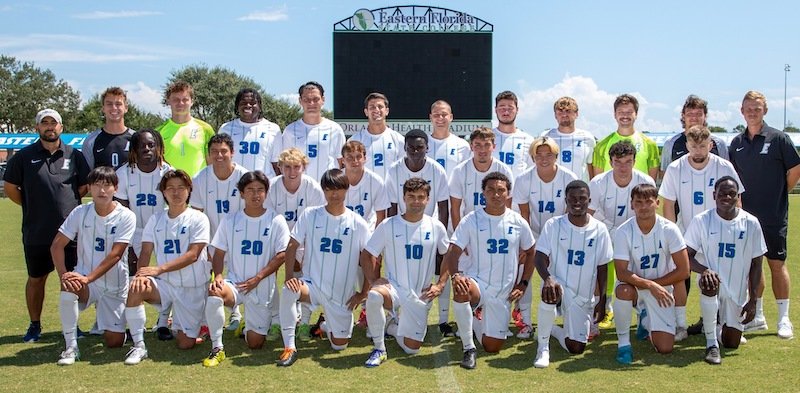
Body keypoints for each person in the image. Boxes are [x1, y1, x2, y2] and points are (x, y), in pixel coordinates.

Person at [3, 109, 90, 343]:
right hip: (37, 231)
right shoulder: (23, 156)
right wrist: (33, 205)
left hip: (70, 233)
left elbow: (83, 187)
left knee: (71, 278)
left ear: (61, 127)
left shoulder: (75, 155)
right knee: (36, 278)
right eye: (45, 123)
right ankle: (34, 325)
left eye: (54, 123)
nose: (49, 127)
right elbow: (11, 188)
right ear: (37, 128)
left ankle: (71, 327)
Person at [276, 169, 370, 367]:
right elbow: (292, 245)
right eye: (329, 190)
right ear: (323, 191)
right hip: (312, 285)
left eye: (338, 189)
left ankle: (325, 326)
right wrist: (289, 276)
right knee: (289, 290)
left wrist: (363, 293)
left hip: (341, 294)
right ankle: (290, 347)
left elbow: (370, 259)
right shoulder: (310, 215)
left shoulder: (358, 223)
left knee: (339, 346)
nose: (334, 195)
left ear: (347, 189)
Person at [728, 90, 800, 339]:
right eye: (748, 108)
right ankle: (757, 316)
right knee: (751, 267)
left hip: (773, 215)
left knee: (776, 264)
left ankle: (784, 318)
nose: (752, 112)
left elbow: (794, 171)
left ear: (765, 111)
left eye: (757, 108)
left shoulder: (779, 139)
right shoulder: (736, 143)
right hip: (745, 218)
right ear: (742, 110)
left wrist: (779, 194)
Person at [445, 172, 535, 369]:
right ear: (483, 193)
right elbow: (452, 251)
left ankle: (474, 320)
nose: (496, 194)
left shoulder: (518, 221)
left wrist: (524, 283)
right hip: (478, 282)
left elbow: (531, 252)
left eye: (500, 190)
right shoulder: (472, 219)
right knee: (462, 288)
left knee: (492, 347)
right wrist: (456, 274)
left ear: (508, 194)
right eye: (491, 190)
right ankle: (468, 348)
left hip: (502, 292)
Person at [200, 171, 290, 367]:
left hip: (262, 286)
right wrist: (218, 276)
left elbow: (282, 254)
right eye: (250, 190)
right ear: (241, 193)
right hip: (235, 283)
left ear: (266, 193)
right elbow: (219, 253)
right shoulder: (230, 220)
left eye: (260, 190)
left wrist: (258, 278)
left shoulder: (276, 220)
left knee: (255, 344)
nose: (255, 194)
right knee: (214, 292)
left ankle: (246, 324)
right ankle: (217, 347)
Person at [123, 169, 211, 365]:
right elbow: (145, 252)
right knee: (135, 288)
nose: (176, 192)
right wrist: (140, 276)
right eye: (170, 188)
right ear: (163, 192)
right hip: (167, 285)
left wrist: (158, 269)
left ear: (189, 190)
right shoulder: (156, 219)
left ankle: (195, 322)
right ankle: (139, 346)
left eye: (181, 187)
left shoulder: (199, 218)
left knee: (185, 344)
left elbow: (193, 255)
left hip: (192, 286)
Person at [50, 166, 136, 365]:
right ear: (89, 188)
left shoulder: (126, 216)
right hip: (86, 280)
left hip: (115, 284)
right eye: (97, 185)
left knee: (113, 342)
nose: (102, 191)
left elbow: (116, 255)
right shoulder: (81, 211)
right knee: (68, 288)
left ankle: (114, 326)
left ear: (116, 188)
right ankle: (70, 347)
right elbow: (57, 245)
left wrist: (88, 278)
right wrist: (64, 275)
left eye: (107, 185)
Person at [360, 178, 449, 367]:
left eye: (421, 197)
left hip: (421, 293)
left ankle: (392, 326)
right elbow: (367, 254)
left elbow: (448, 256)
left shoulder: (436, 227)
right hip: (394, 288)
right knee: (375, 296)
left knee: (412, 348)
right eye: (411, 197)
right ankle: (379, 349)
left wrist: (440, 284)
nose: (416, 201)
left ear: (428, 199)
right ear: (404, 198)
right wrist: (374, 280)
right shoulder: (389, 225)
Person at [684, 176, 766, 364]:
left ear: (738, 197)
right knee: (710, 281)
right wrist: (704, 270)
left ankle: (714, 324)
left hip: (737, 291)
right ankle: (711, 344)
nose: (726, 197)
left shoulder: (751, 223)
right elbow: (685, 256)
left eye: (732, 194)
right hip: (712, 282)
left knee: (731, 343)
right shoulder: (702, 220)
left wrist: (753, 300)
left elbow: (757, 264)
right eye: (722, 193)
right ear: (714, 195)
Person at [533, 180, 613, 368]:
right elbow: (539, 257)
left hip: (583, 296)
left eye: (582, 199)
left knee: (576, 348)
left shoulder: (600, 229)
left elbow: (603, 267)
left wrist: (602, 300)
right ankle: (543, 348)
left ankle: (551, 329)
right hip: (559, 286)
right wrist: (548, 278)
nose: (577, 202)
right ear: (566, 201)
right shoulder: (554, 225)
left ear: (589, 200)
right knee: (550, 290)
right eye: (573, 199)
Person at [612, 184, 690, 364]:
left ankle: (645, 321)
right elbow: (622, 273)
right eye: (638, 202)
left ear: (657, 202)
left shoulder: (669, 229)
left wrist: (655, 285)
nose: (643, 207)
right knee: (622, 291)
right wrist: (650, 285)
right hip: (634, 286)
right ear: (631, 205)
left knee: (665, 348)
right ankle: (624, 345)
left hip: (660, 288)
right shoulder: (623, 231)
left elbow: (684, 270)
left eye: (648, 202)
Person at [512, 136, 578, 337]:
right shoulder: (524, 179)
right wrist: (526, 245)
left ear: (556, 156)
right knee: (525, 271)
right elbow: (524, 214)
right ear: (532, 157)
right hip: (532, 231)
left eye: (548, 154)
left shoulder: (568, 177)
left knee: (563, 274)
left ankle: (568, 317)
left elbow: (571, 211)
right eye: (538, 154)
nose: (543, 158)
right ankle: (524, 319)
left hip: (560, 231)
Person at [588, 140, 656, 331]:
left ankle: (643, 310)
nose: (623, 167)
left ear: (634, 161)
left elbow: (650, 214)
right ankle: (601, 307)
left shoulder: (645, 181)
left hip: (635, 229)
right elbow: (589, 216)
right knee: (598, 268)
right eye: (618, 162)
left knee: (640, 269)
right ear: (610, 162)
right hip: (605, 228)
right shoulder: (598, 182)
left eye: (628, 161)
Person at [265, 148, 326, 339]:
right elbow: (269, 219)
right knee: (269, 276)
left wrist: (298, 248)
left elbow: (318, 220)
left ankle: (304, 322)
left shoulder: (313, 187)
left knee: (307, 277)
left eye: (296, 167)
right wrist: (285, 248)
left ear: (304, 167)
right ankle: (275, 320)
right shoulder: (272, 187)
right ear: (280, 167)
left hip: (306, 240)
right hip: (277, 239)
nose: (292, 172)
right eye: (287, 167)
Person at [273, 81, 345, 182]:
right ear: (300, 101)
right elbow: (285, 163)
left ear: (323, 100)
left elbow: (341, 162)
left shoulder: (335, 129)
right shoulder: (290, 131)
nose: (311, 103)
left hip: (328, 189)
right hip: (300, 189)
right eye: (306, 99)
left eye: (316, 99)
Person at [386, 129, 449, 229]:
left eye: (420, 147)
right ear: (405, 148)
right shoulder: (393, 170)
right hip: (402, 226)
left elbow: (443, 207)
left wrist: (440, 235)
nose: (415, 151)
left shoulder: (438, 171)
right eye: (411, 147)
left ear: (427, 148)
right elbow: (392, 208)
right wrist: (393, 233)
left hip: (429, 226)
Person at [190, 134, 249, 235]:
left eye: (223, 151)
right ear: (209, 154)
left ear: (232, 152)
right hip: (212, 242)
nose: (219, 155)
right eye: (214, 151)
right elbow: (197, 215)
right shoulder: (199, 179)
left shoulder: (245, 177)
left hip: (241, 239)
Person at [659, 95, 729, 178]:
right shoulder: (670, 144)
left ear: (705, 116)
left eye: (699, 114)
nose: (694, 118)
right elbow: (665, 176)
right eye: (690, 114)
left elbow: (726, 174)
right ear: (683, 116)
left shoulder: (719, 144)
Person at [592, 94, 660, 179]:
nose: (625, 115)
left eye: (629, 112)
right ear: (615, 114)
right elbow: (598, 182)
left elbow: (651, 183)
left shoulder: (650, 144)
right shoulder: (601, 145)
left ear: (636, 114)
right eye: (621, 112)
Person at [218, 88, 282, 178]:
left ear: (260, 106)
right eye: (243, 103)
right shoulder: (226, 129)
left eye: (252, 103)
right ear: (237, 106)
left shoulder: (273, 129)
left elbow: (277, 164)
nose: (248, 105)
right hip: (234, 185)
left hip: (264, 186)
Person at [156, 81, 215, 177]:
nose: (180, 103)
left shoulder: (205, 129)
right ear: (168, 101)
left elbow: (212, 163)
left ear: (192, 101)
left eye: (185, 99)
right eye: (176, 99)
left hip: (199, 188)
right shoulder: (158, 132)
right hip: (170, 189)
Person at [348, 92, 405, 180]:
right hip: (365, 191)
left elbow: (404, 169)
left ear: (387, 111)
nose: (376, 110)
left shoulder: (399, 140)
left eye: (380, 106)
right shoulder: (355, 140)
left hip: (391, 192)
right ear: (366, 112)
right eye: (372, 107)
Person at [541, 97, 597, 182]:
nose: (564, 115)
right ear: (555, 115)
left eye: (568, 111)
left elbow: (590, 168)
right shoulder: (546, 137)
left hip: (579, 192)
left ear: (576, 114)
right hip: (552, 191)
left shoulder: (588, 138)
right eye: (560, 111)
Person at [81, 86, 136, 170]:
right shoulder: (91, 141)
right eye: (109, 104)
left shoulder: (136, 138)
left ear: (126, 108)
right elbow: (87, 177)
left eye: (118, 104)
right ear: (103, 108)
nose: (114, 108)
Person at [342, 140, 389, 229]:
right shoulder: (336, 180)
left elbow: (381, 216)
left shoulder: (376, 181)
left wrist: (374, 240)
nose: (355, 161)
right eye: (350, 157)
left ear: (365, 158)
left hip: (367, 233)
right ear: (343, 160)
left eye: (358, 157)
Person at [492, 91, 535, 178]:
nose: (506, 112)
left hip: (518, 191)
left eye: (510, 108)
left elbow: (533, 171)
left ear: (517, 110)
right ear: (495, 110)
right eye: (502, 108)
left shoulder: (528, 140)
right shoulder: (487, 138)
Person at [427, 100, 470, 172]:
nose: (440, 118)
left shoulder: (462, 145)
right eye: (436, 115)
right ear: (431, 117)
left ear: (451, 117)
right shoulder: (423, 144)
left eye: (444, 114)